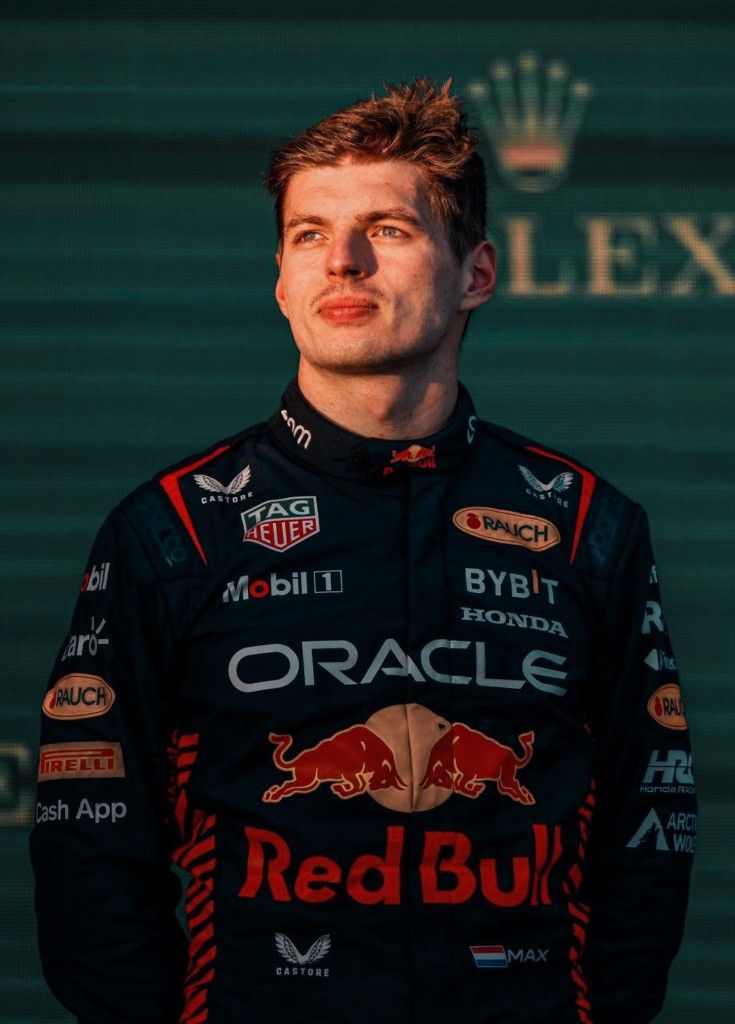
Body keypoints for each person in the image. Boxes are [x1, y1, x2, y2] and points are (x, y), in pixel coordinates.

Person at [31, 79, 696, 1024]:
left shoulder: (589, 525)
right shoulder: (175, 528)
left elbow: (651, 823)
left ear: (475, 272)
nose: (340, 261)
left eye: (386, 228)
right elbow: (87, 846)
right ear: (279, 280)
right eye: (309, 233)